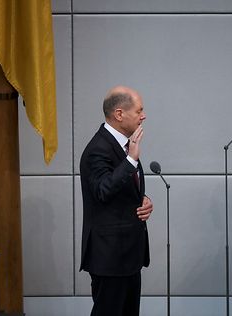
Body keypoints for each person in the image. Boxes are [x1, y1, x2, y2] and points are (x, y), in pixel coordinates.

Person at [80, 85, 153, 316]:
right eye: (139, 110)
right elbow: (102, 190)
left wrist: (143, 199)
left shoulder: (124, 144)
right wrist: (131, 159)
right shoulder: (97, 149)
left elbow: (123, 187)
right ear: (119, 114)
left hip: (128, 256)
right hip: (110, 257)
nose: (144, 116)